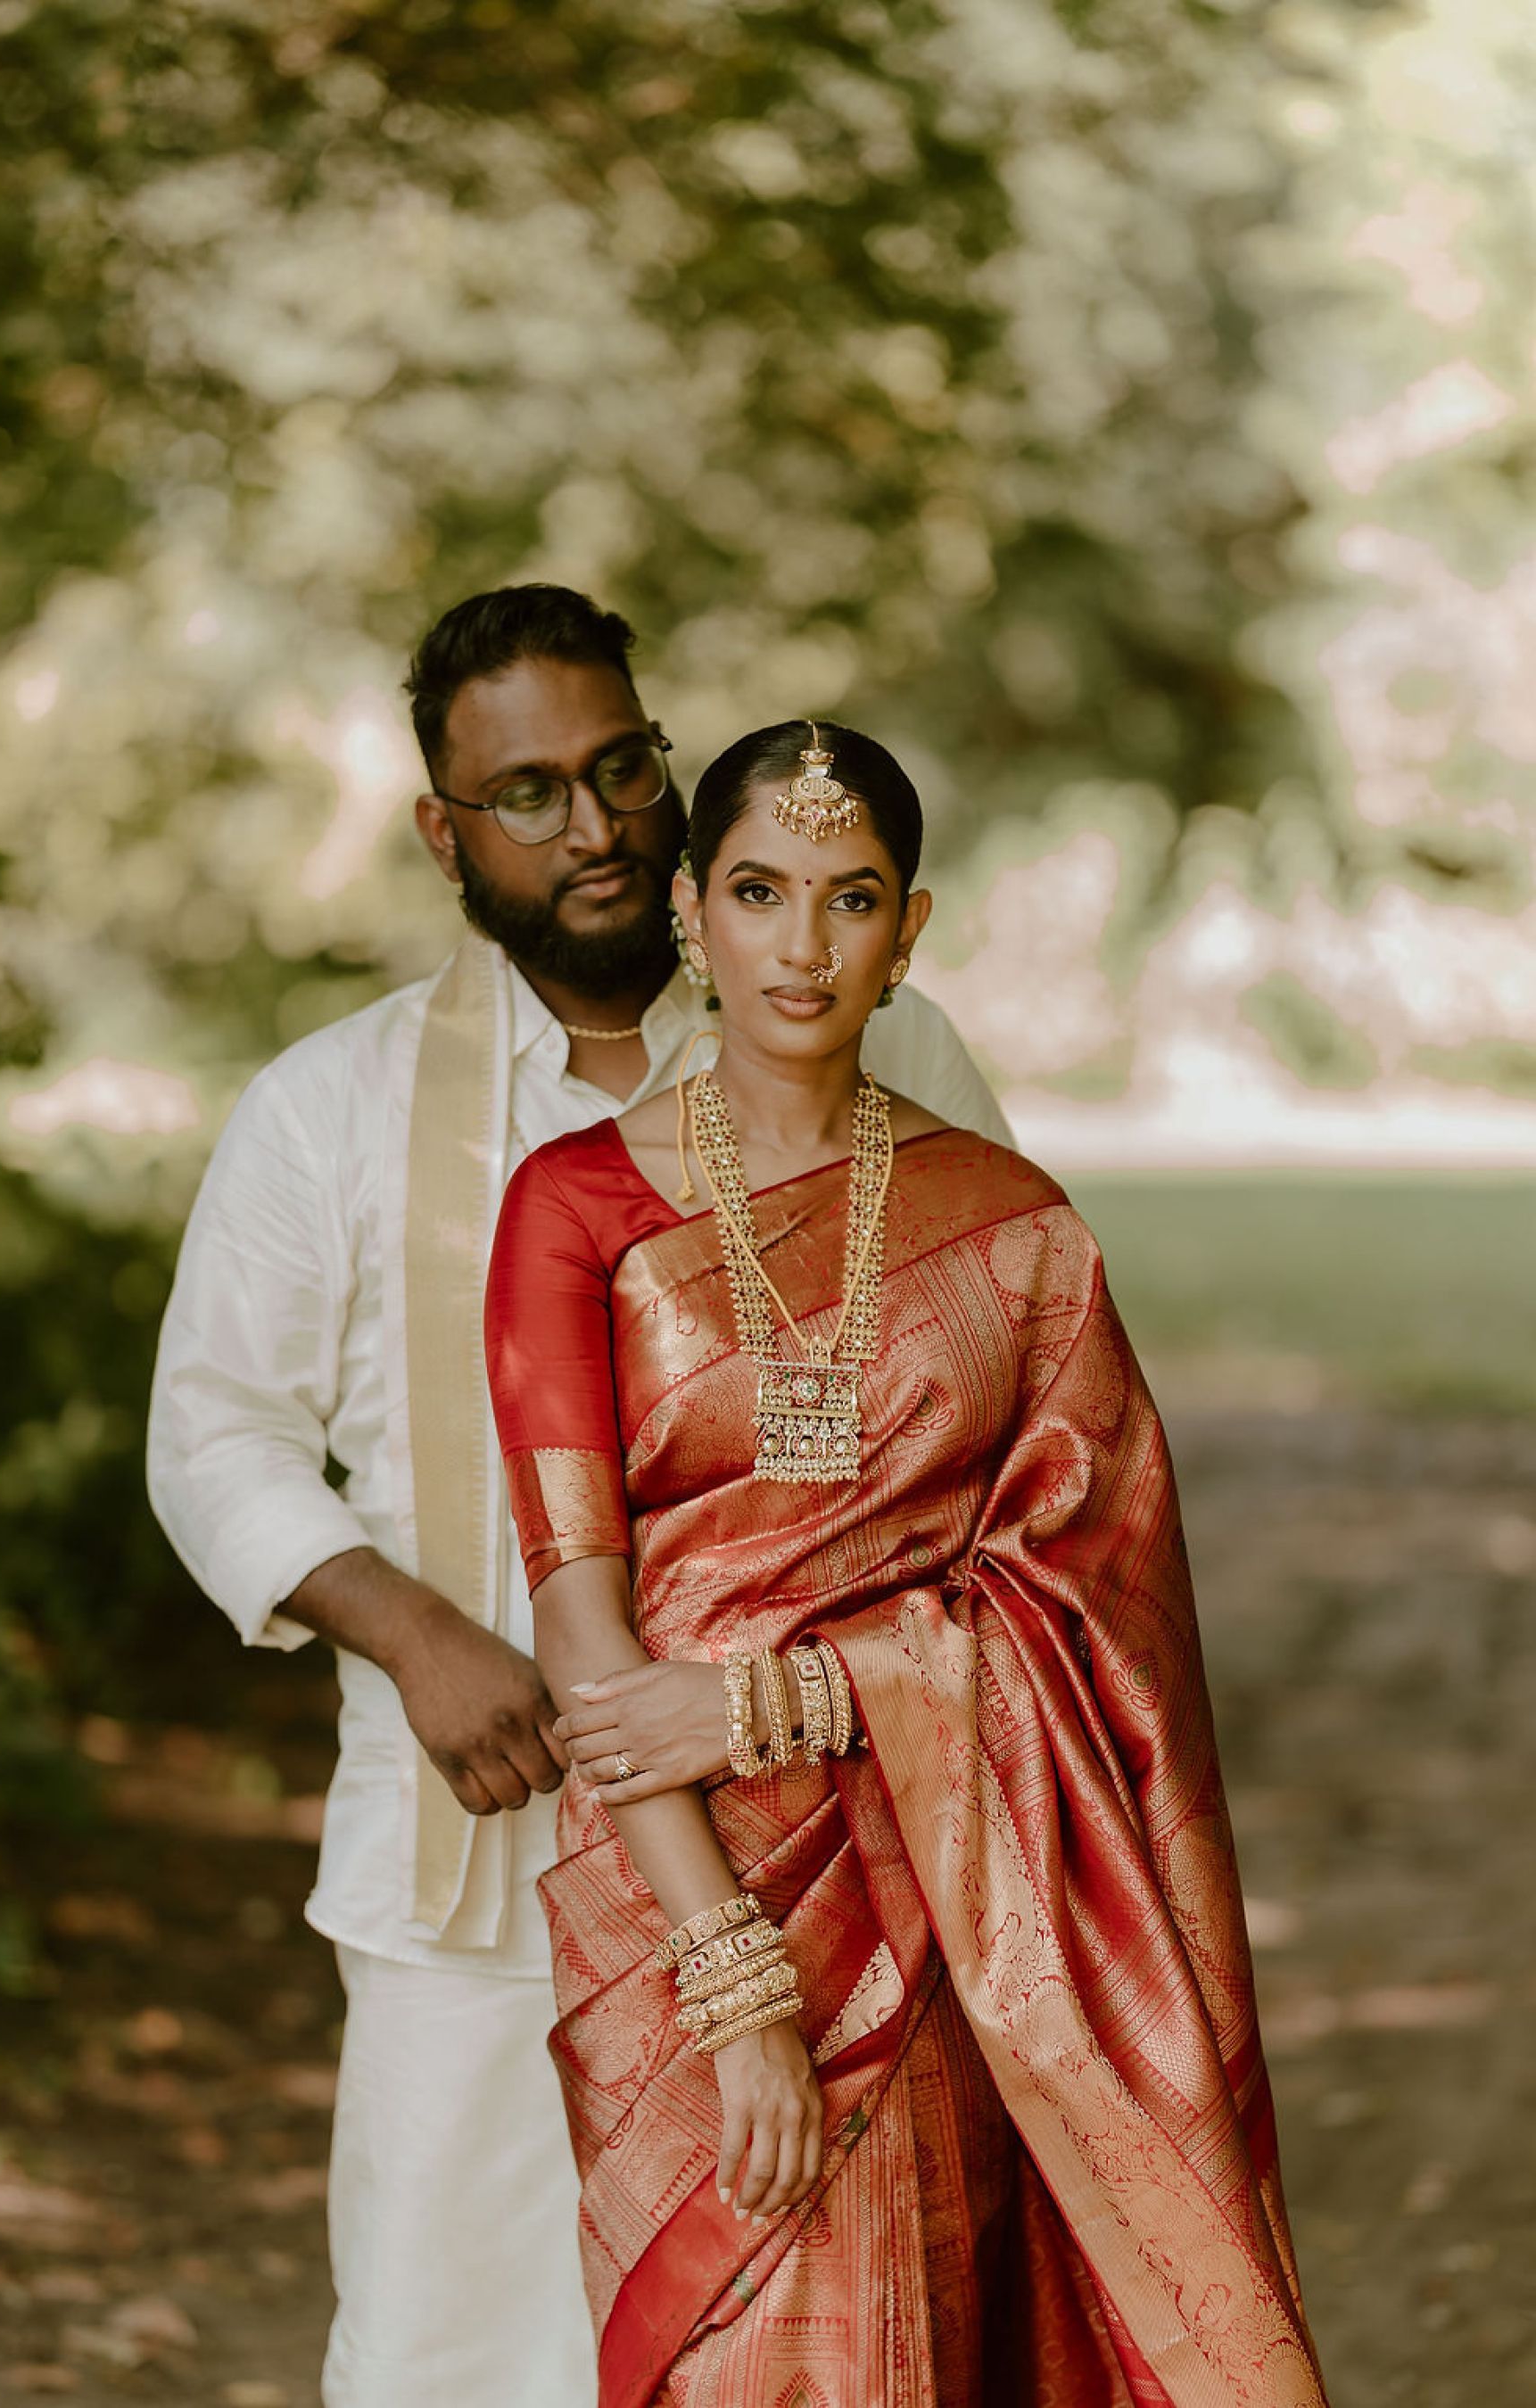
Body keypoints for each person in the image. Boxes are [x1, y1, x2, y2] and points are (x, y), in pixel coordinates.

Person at [145, 590, 1012, 2407]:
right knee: (452, 2356)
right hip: (479, 1851)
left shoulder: (890, 1055)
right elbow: (214, 1435)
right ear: (441, 831)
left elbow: (987, 1423)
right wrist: (413, 1636)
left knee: (810, 2349)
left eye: (622, 768)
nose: (596, 825)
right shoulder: (333, 1107)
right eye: (528, 792)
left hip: (823, 1841)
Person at [483, 719, 1328, 2407]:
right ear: (689, 911)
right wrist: (735, 1985)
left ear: (910, 931)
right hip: (682, 1880)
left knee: (940, 2341)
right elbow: (582, 1619)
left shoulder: (1015, 1229)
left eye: (850, 897)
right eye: (759, 891)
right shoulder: (570, 1209)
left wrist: (783, 1698)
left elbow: (1099, 1608)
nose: (802, 944)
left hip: (955, 1872)